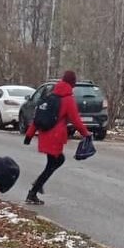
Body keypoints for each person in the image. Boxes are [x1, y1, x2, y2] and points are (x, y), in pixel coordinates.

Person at [22, 70, 90, 205]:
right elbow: (76, 120)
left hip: (45, 134)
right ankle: (33, 191)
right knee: (55, 162)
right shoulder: (68, 99)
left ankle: (37, 186)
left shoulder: (51, 95)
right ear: (73, 83)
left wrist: (29, 135)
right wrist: (86, 134)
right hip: (55, 137)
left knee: (54, 162)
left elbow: (38, 118)